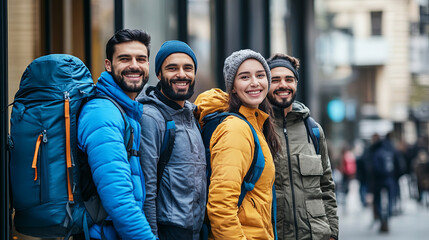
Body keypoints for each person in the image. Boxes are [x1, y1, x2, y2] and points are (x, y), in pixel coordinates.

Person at [77, 29, 156, 239]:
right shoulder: (103, 114)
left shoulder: (125, 110)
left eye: (141, 59)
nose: (134, 65)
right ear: (108, 65)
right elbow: (119, 200)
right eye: (124, 58)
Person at [195, 49, 280, 239]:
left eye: (260, 75)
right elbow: (220, 207)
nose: (255, 82)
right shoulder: (235, 129)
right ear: (232, 86)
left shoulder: (255, 123)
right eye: (244, 77)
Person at [137, 40, 206, 240]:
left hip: (194, 229)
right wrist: (151, 236)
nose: (181, 74)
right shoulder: (151, 117)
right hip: (167, 230)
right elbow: (147, 189)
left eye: (188, 68)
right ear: (159, 74)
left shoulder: (192, 116)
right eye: (172, 68)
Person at [266, 53, 339, 240]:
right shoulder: (257, 128)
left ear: (296, 84)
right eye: (275, 80)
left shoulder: (313, 130)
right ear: (266, 85)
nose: (283, 85)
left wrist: (332, 233)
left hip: (315, 235)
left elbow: (326, 186)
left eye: (289, 79)